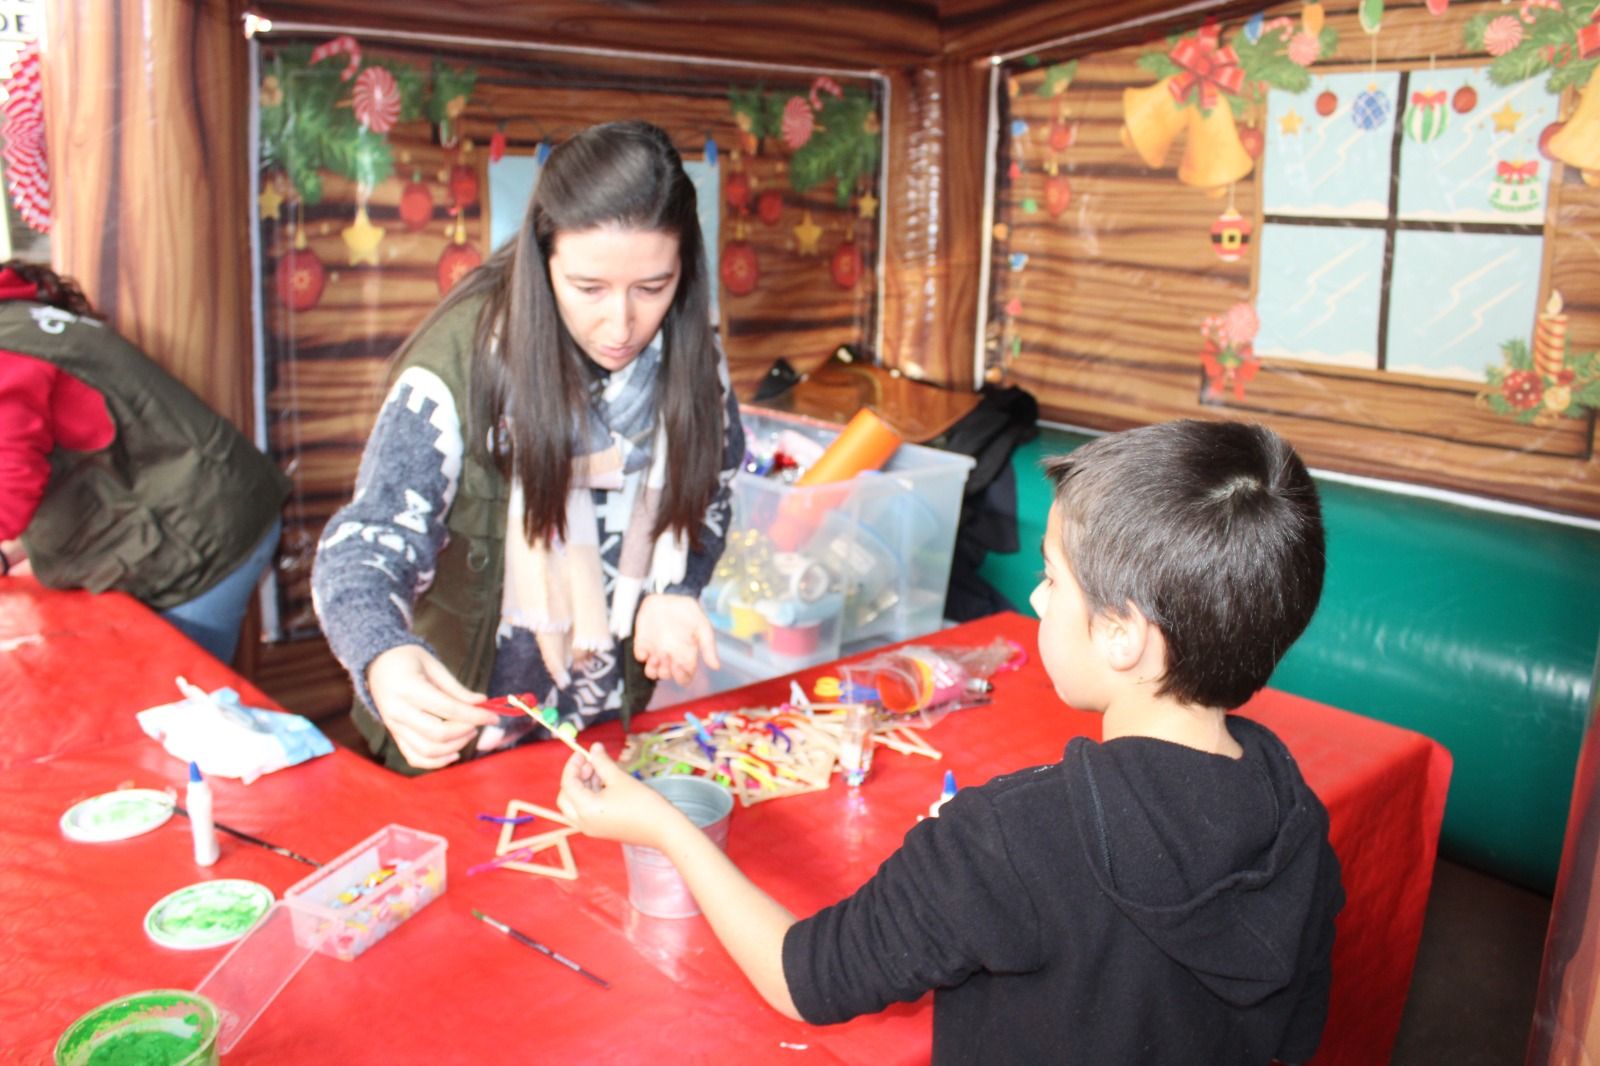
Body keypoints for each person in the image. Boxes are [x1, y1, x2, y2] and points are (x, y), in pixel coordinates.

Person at [558, 418, 1345, 1065]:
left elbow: (805, 978)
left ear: (1123, 635)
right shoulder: (1296, 812)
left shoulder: (1011, 836)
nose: (1036, 598)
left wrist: (665, 825)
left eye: (1053, 579)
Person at [313, 120, 743, 775]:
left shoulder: (692, 355)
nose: (621, 323)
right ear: (543, 260)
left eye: (652, 287)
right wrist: (383, 654)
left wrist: (674, 587)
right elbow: (366, 547)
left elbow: (714, 487)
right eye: (589, 288)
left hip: (604, 722)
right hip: (465, 734)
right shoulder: (461, 365)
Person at [0, 260, 289, 664]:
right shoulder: (17, 321)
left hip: (202, 538)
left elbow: (10, 489)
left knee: (176, 704)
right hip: (202, 511)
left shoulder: (8, 353)